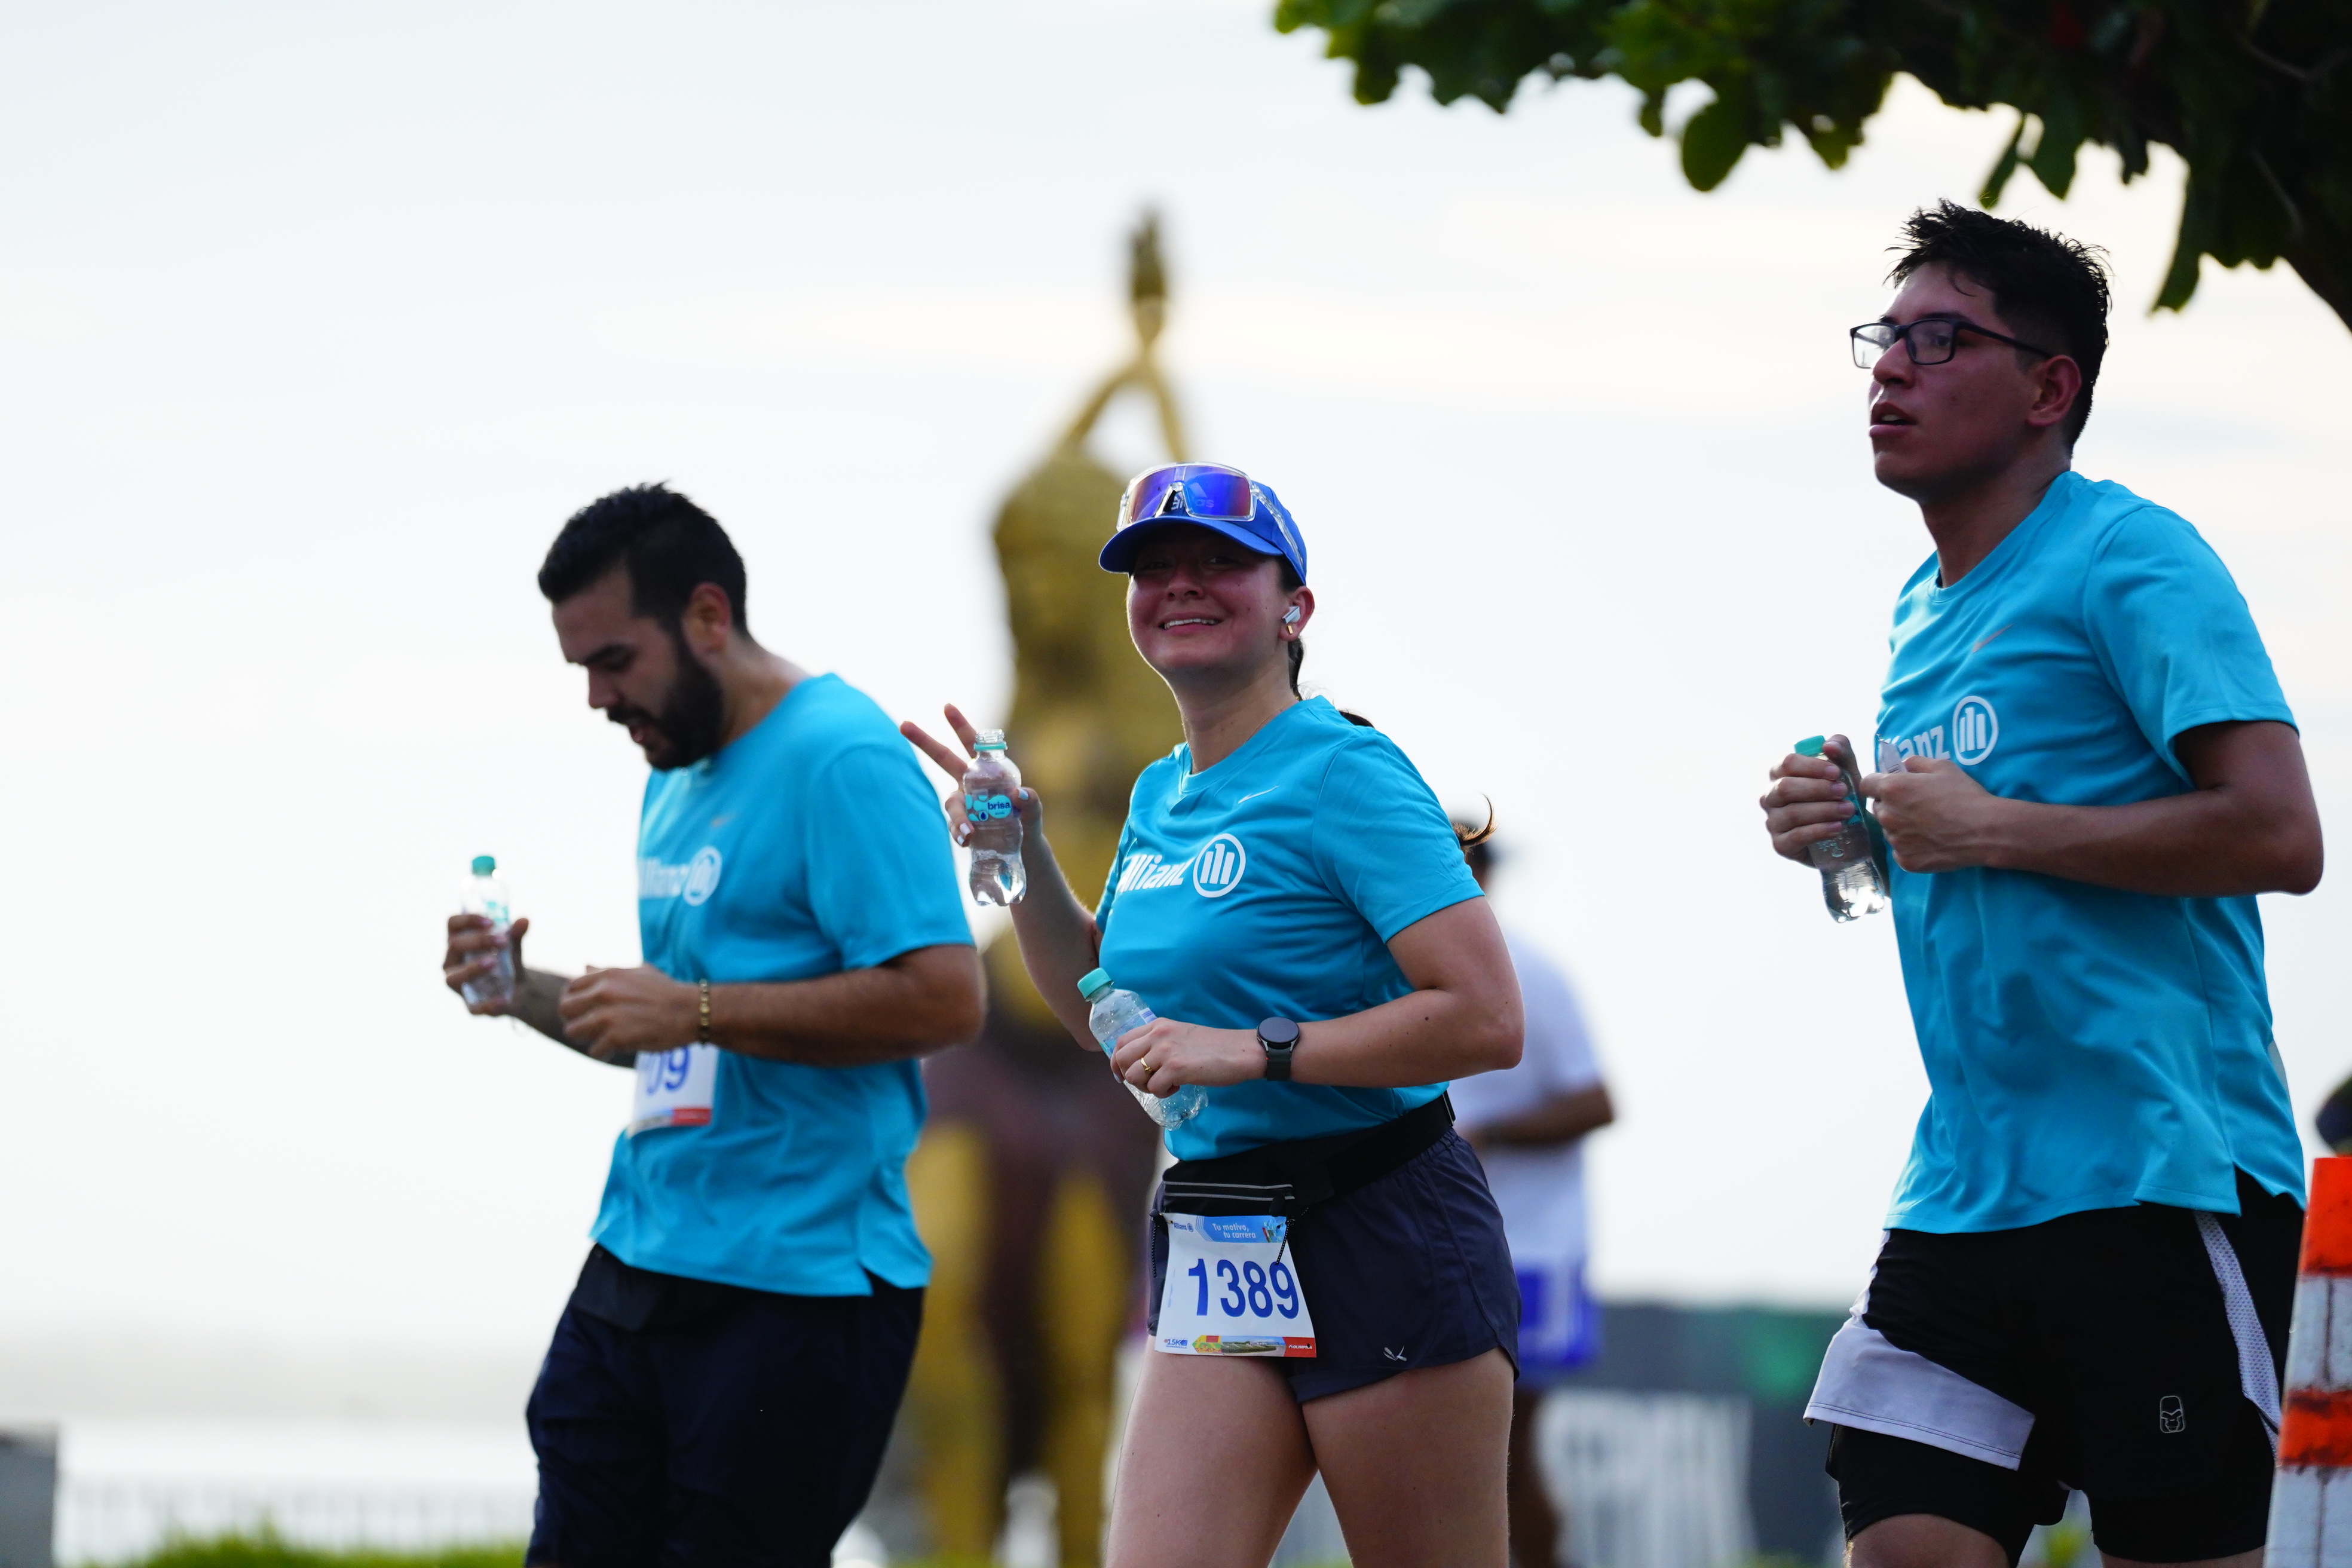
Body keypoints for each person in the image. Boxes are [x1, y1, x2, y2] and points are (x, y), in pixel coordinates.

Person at [1759, 204, 2323, 1568]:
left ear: (2047, 386)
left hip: (2157, 1178)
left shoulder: (2131, 555)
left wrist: (1993, 824)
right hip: (1962, 1193)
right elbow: (1978, 849)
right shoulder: (1921, 606)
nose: (1890, 370)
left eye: (1938, 339)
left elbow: (2276, 833)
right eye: (1882, 341)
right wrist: (1857, 838)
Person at [903, 463, 1526, 1568]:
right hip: (1218, 1230)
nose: (1178, 583)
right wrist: (1025, 848)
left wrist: (1254, 1052)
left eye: (1217, 563)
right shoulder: (1158, 791)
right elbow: (1099, 993)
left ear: (1295, 605)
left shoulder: (1349, 769)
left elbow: (1483, 1017)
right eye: (1152, 567)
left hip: (1378, 1216)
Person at [440, 483, 984, 1567]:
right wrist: (520, 987)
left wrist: (690, 1005)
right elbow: (668, 1026)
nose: (597, 696)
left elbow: (944, 997)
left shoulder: (842, 753)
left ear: (705, 616)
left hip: (801, 1283)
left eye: (613, 660)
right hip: (641, 1252)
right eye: (580, 668)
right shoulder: (672, 770)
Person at [1447, 826, 1615, 1568]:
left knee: (1505, 1450)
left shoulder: (1532, 972)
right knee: (1461, 1451)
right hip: (1450, 1243)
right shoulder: (1403, 970)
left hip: (1534, 1252)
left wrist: (1488, 1133)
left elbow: (1597, 1101)